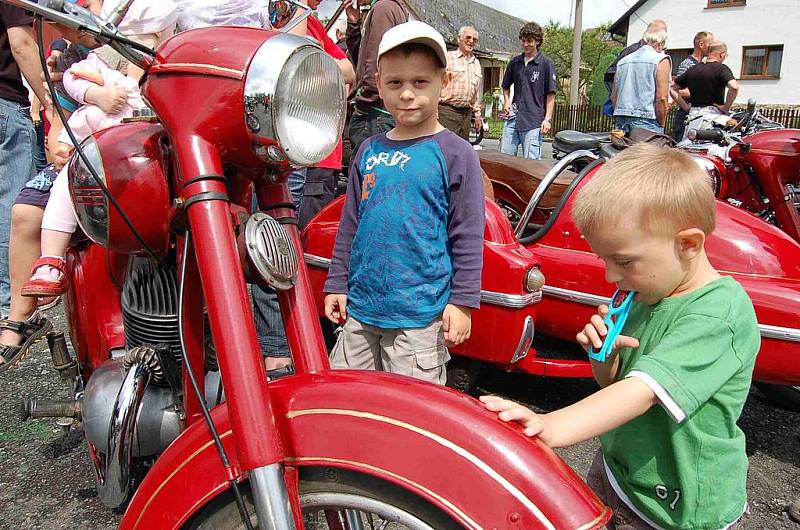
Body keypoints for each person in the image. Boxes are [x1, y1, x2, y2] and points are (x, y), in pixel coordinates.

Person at [481, 143, 758, 530]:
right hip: (620, 471)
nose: (611, 276)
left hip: (679, 505)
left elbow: (642, 392)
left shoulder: (719, 315)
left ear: (688, 244)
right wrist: (605, 358)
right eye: (604, 260)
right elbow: (617, 383)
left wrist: (553, 425)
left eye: (623, 261)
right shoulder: (645, 292)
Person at [323, 21, 484, 385]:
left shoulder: (457, 155)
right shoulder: (369, 150)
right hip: (361, 313)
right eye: (395, 83)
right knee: (348, 401)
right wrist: (337, 283)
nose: (407, 94)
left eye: (420, 82)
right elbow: (350, 224)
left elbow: (468, 236)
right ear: (379, 85)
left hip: (419, 319)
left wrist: (461, 303)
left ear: (443, 83)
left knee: (410, 413)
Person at [17, 0, 177, 302]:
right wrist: (99, 95)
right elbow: (72, 80)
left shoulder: (166, 59)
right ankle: (50, 261)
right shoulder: (94, 60)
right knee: (65, 184)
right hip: (99, 154)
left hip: (154, 159)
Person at [251, 0, 355, 377]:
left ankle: (293, 343)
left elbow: (349, 71)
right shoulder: (292, 18)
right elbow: (313, 66)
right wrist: (330, 71)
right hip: (292, 153)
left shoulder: (309, 22)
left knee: (293, 247)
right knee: (276, 248)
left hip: (310, 154)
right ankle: (279, 349)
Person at [0, 5, 51, 323]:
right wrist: (51, 104)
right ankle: (9, 299)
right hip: (4, 102)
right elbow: (20, 42)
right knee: (12, 206)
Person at [345, 0, 408, 153]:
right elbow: (361, 58)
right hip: (380, 111)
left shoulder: (383, 8)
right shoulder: (391, 8)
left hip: (373, 113)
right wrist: (354, 25)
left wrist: (361, 103)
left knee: (366, 173)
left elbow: (375, 66)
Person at [500, 22, 556, 160]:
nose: (525, 44)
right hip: (513, 118)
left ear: (537, 41)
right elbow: (505, 86)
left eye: (529, 41)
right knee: (503, 160)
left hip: (533, 121)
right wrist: (507, 101)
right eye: (523, 41)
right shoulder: (515, 62)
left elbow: (551, 94)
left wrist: (547, 119)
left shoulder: (546, 64)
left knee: (530, 165)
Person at [673, 41, 739, 139]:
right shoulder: (721, 69)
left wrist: (686, 106)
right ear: (722, 54)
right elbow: (734, 87)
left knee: (688, 150)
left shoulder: (693, 69)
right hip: (712, 117)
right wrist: (726, 108)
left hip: (693, 117)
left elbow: (672, 88)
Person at [612, 24, 671, 134]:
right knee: (648, 151)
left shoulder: (623, 61)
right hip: (647, 120)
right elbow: (662, 98)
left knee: (622, 151)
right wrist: (662, 123)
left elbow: (614, 96)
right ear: (661, 44)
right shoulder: (661, 60)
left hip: (622, 119)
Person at [602, 19, 667, 117]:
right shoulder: (632, 51)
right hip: (633, 113)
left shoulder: (659, 56)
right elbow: (609, 75)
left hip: (645, 113)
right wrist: (620, 101)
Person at [438, 25, 483, 141]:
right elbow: (436, 85)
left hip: (466, 115)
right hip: (447, 112)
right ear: (459, 39)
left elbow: (475, 93)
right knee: (445, 148)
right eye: (468, 37)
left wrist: (477, 114)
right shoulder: (447, 58)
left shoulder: (476, 63)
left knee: (462, 150)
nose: (471, 41)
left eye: (474, 39)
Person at [671, 31, 713, 141]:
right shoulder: (687, 64)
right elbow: (676, 89)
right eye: (710, 43)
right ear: (701, 44)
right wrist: (686, 106)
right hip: (686, 117)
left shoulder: (701, 65)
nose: (712, 47)